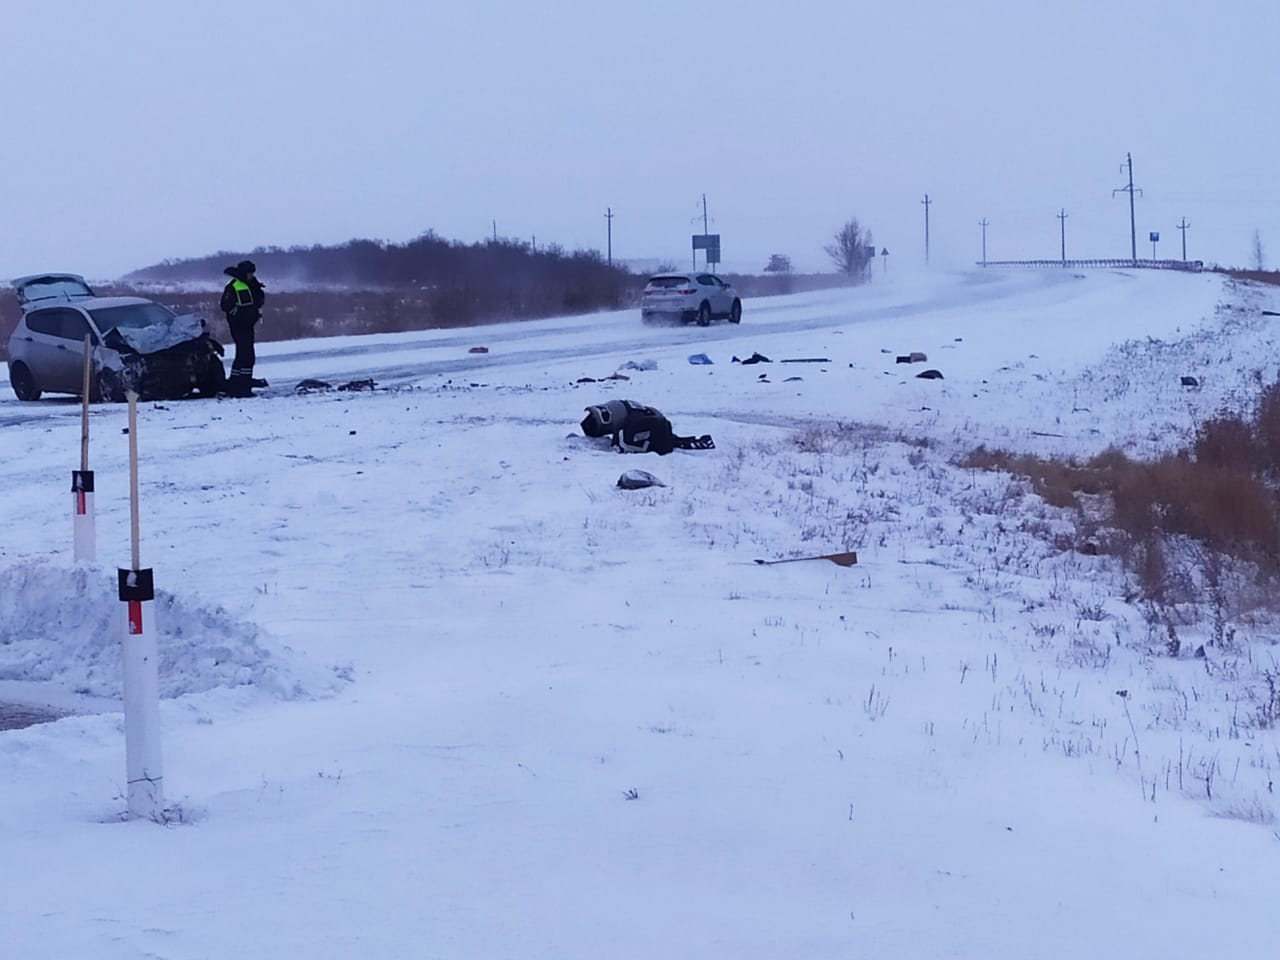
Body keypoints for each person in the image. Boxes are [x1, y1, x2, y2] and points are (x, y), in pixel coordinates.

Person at [219, 259, 266, 397]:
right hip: (239, 326)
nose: (251, 275)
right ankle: (242, 387)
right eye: (249, 273)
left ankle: (236, 383)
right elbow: (225, 306)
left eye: (252, 273)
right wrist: (239, 314)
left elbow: (258, 300)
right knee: (246, 356)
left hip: (248, 324)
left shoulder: (252, 284)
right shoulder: (233, 286)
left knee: (243, 355)